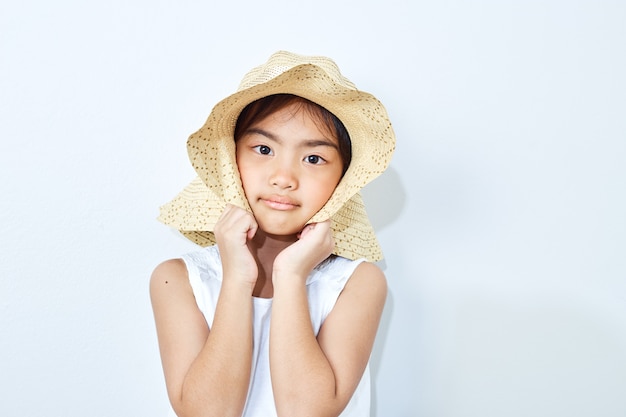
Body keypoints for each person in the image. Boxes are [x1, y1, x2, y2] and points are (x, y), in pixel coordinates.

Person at [150, 51, 396, 417]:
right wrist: (236, 278)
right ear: (231, 162)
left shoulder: (356, 282)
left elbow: (306, 412)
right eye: (263, 149)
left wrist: (291, 275)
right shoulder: (178, 279)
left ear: (344, 180)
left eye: (313, 158)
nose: (283, 177)